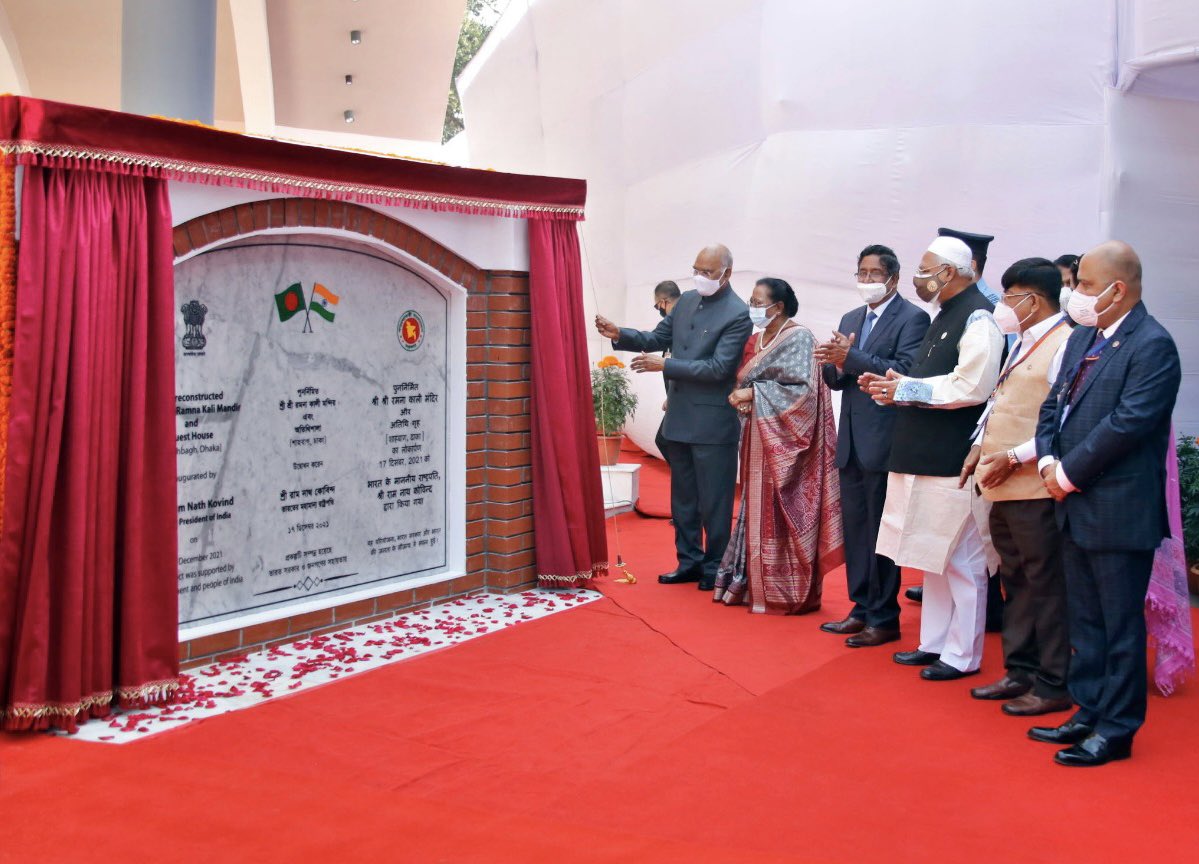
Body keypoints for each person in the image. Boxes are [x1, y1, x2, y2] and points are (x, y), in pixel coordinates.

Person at [1029, 240, 1181, 767]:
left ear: (1119, 289)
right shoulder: (1083, 338)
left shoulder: (1153, 345)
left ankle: (1116, 729)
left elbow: (1129, 423)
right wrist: (1048, 462)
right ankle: (1087, 709)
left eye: (1086, 285)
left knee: (1119, 627)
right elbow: (1054, 407)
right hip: (1072, 501)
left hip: (1116, 511)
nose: (1076, 294)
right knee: (1086, 621)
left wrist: (1066, 474)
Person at [861, 235, 1004, 681]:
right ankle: (934, 643)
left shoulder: (980, 317)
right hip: (919, 454)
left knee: (961, 562)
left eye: (925, 269)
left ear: (949, 272)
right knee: (930, 558)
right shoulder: (946, 313)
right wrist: (895, 386)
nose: (919, 278)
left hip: (950, 459)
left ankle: (962, 654)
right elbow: (933, 382)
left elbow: (971, 387)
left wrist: (907, 389)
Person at [596, 245, 752, 592]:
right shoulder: (684, 302)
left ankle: (715, 567)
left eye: (708, 271)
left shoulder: (738, 313)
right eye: (696, 268)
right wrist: (620, 333)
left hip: (713, 424)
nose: (700, 276)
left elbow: (719, 369)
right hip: (679, 419)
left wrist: (665, 364)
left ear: (727, 273)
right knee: (683, 499)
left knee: (715, 501)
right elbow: (656, 338)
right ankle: (689, 562)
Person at [962, 258, 1073, 716]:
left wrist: (1014, 457)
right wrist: (977, 445)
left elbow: (1061, 420)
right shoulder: (1024, 340)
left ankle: (1053, 682)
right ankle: (1019, 670)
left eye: (1009, 296)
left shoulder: (1064, 343)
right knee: (1015, 581)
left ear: (1033, 299)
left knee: (1044, 584)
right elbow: (1001, 399)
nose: (1003, 305)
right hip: (1001, 483)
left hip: (1033, 486)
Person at [815, 245, 930, 646]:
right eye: (860, 273)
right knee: (858, 530)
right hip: (850, 442)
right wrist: (832, 362)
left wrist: (854, 356)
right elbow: (837, 379)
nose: (866, 281)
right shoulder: (851, 317)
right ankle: (860, 607)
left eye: (873, 273)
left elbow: (907, 372)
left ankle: (884, 617)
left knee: (883, 533)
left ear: (893, 278)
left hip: (884, 441)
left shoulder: (913, 318)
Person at [714, 278, 843, 612]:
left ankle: (785, 590)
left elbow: (805, 392)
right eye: (752, 300)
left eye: (758, 301)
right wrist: (745, 397)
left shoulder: (798, 337)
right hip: (756, 439)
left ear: (779, 306)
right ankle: (748, 582)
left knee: (780, 511)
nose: (753, 307)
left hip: (788, 446)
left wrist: (755, 394)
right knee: (753, 508)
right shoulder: (758, 339)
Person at [651, 280, 682, 464]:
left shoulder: (683, 323)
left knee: (665, 440)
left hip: (685, 398)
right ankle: (684, 481)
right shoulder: (672, 325)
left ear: (663, 302)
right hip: (676, 397)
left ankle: (686, 481)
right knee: (665, 440)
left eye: (657, 306)